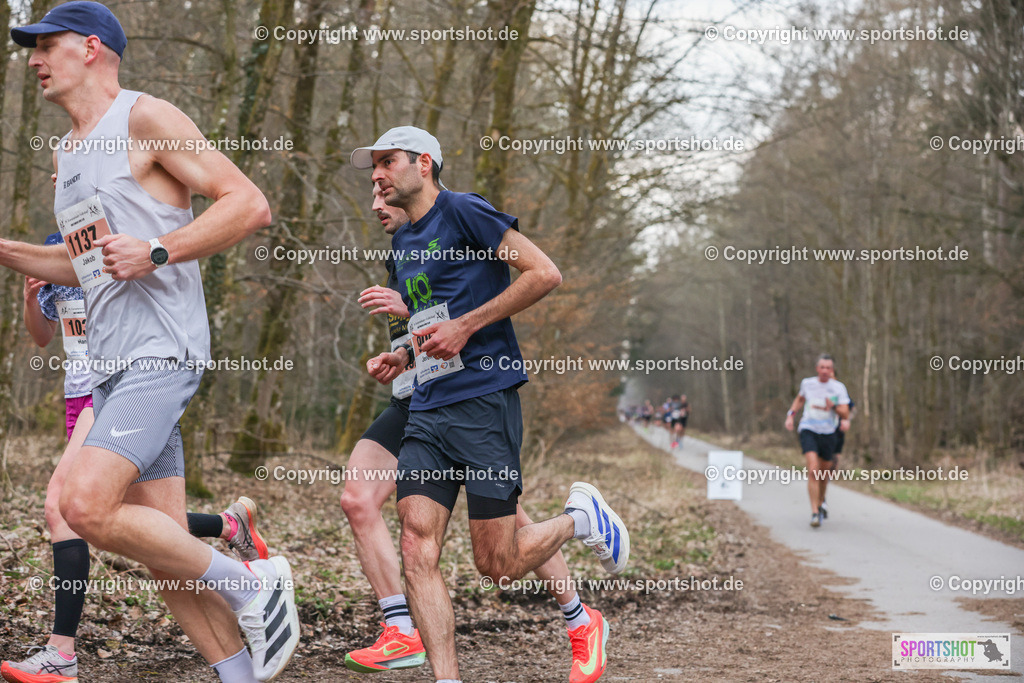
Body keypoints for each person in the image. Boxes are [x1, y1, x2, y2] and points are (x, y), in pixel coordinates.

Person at [1, 4, 295, 680]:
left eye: (47, 44)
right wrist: (10, 252)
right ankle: (239, 674)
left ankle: (253, 583)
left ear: (93, 47)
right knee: (165, 558)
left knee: (81, 503)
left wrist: (160, 249)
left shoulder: (145, 118)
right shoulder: (67, 151)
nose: (35, 58)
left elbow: (247, 203)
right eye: (31, 47)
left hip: (160, 353)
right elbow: (81, 266)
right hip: (110, 365)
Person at [351, 126, 628, 683]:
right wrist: (402, 355)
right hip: (428, 407)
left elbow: (543, 273)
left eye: (387, 162)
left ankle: (580, 518)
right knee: (416, 544)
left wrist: (468, 324)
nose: (377, 175)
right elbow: (430, 321)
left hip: (483, 399)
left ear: (423, 163)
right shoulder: (403, 243)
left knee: (495, 563)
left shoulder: (465, 213)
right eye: (373, 167)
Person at [4, 242, 267, 683]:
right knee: (149, 528)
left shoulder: (114, 232)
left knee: (64, 507)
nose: (60, 175)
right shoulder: (54, 249)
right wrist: (31, 297)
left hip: (125, 383)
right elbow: (42, 335)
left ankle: (61, 651)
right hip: (83, 393)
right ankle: (228, 530)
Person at [784, 354, 850, 527]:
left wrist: (833, 406)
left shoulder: (838, 388)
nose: (825, 371)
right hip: (809, 429)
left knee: (823, 474)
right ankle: (814, 512)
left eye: (829, 368)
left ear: (832, 370)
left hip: (829, 432)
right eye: (822, 367)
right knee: (813, 470)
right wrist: (791, 415)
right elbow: (800, 399)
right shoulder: (808, 384)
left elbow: (845, 413)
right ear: (817, 368)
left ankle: (821, 502)